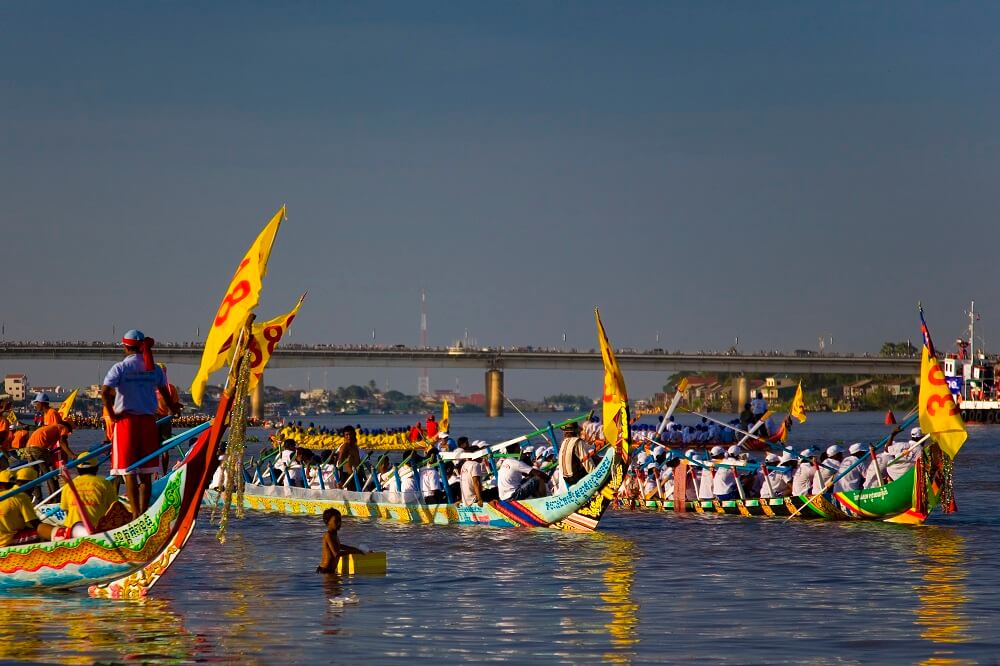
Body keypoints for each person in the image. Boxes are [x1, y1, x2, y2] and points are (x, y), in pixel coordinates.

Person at [101, 329, 181, 519]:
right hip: (148, 423)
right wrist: (173, 409)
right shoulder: (154, 368)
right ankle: (144, 513)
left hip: (126, 423)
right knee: (146, 472)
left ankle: (135, 513)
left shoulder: (119, 368)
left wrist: (112, 415)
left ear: (125, 346)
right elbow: (166, 393)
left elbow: (105, 392)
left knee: (129, 471)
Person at [60, 452, 118, 537]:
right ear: (96, 468)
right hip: (95, 529)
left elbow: (66, 510)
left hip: (71, 529)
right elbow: (114, 507)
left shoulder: (68, 486)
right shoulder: (105, 483)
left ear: (78, 469)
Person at [0, 469, 53, 545]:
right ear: (28, 484)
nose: (33, 491)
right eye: (33, 487)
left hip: (6, 536)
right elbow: (35, 524)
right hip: (6, 541)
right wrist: (56, 532)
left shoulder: (9, 495)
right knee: (42, 534)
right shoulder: (21, 497)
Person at [26, 424, 75, 496]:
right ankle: (55, 496)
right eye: (68, 433)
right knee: (50, 473)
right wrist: (72, 455)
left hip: (28, 449)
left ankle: (38, 498)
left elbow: (49, 448)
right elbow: (62, 442)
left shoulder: (52, 429)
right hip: (38, 449)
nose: (68, 435)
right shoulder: (63, 427)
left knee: (34, 475)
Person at [316, 508, 366, 574]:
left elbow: (339, 546)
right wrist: (353, 551)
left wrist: (357, 549)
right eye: (336, 521)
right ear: (327, 522)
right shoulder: (328, 535)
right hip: (325, 570)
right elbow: (336, 554)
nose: (339, 523)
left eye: (340, 520)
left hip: (330, 570)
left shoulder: (334, 534)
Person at [558, 421, 594, 488]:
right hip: (575, 477)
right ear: (576, 431)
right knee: (594, 459)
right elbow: (586, 460)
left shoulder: (564, 442)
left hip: (566, 478)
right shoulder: (577, 441)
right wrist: (594, 473)